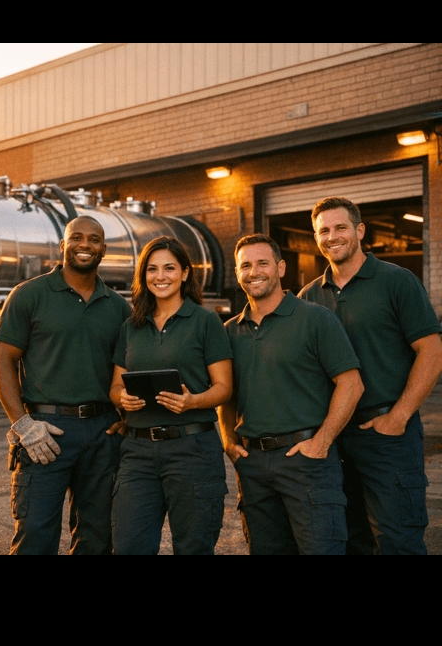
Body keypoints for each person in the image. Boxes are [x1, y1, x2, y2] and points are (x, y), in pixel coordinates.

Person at [299, 196, 442, 555]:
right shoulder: (308, 297)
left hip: (388, 436)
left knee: (398, 541)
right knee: (347, 539)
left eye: (341, 227)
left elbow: (432, 351)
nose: (332, 236)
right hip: (333, 438)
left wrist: (399, 416)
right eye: (324, 230)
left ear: (360, 231)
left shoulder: (397, 281)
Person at [0, 215, 132, 555]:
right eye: (78, 237)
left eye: (94, 239)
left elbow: (127, 372)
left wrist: (125, 420)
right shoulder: (29, 295)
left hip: (103, 433)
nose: (86, 244)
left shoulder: (118, 307)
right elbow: (2, 363)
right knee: (35, 536)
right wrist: (23, 424)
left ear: (104, 249)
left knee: (97, 537)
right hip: (47, 432)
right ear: (63, 244)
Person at [218, 234, 364, 555]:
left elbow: (351, 384)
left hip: (307, 462)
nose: (254, 272)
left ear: (281, 268)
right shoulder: (229, 331)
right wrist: (229, 440)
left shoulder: (315, 318)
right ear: (238, 273)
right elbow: (226, 395)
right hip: (253, 466)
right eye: (245, 265)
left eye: (262, 263)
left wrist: (322, 441)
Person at [109, 237, 233, 555]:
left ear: (185, 274)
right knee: (128, 545)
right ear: (143, 275)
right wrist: (123, 399)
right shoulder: (130, 326)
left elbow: (223, 388)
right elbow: (114, 387)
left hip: (192, 450)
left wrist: (193, 401)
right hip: (137, 452)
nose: (160, 276)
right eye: (152, 269)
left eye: (169, 268)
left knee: (194, 547)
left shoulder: (206, 322)